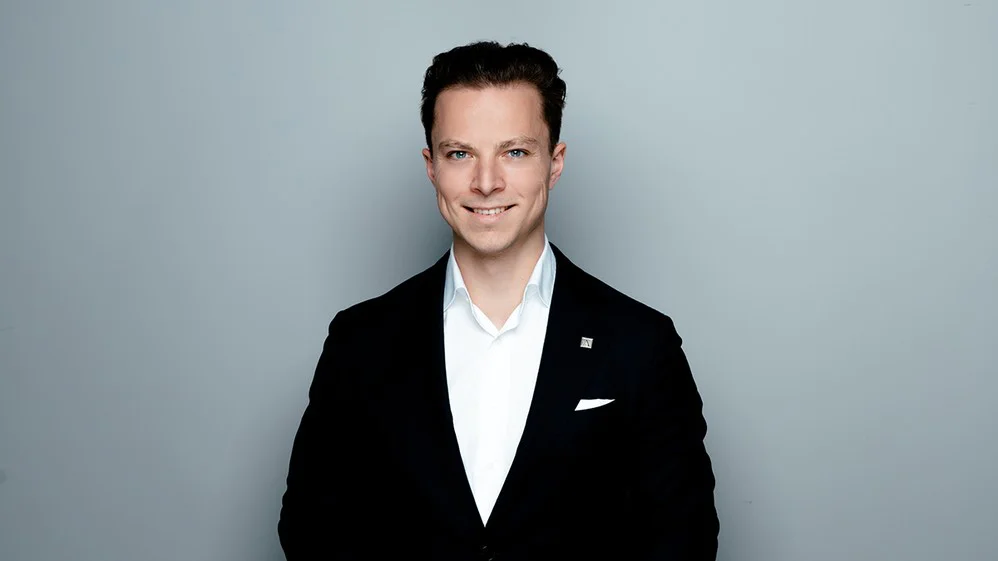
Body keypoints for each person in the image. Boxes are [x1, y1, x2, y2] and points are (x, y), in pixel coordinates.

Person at [278, 40, 719, 560]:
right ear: (431, 167)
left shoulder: (640, 344)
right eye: (460, 154)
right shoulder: (361, 341)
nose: (486, 183)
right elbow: (312, 530)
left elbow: (683, 541)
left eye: (515, 152)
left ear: (554, 163)